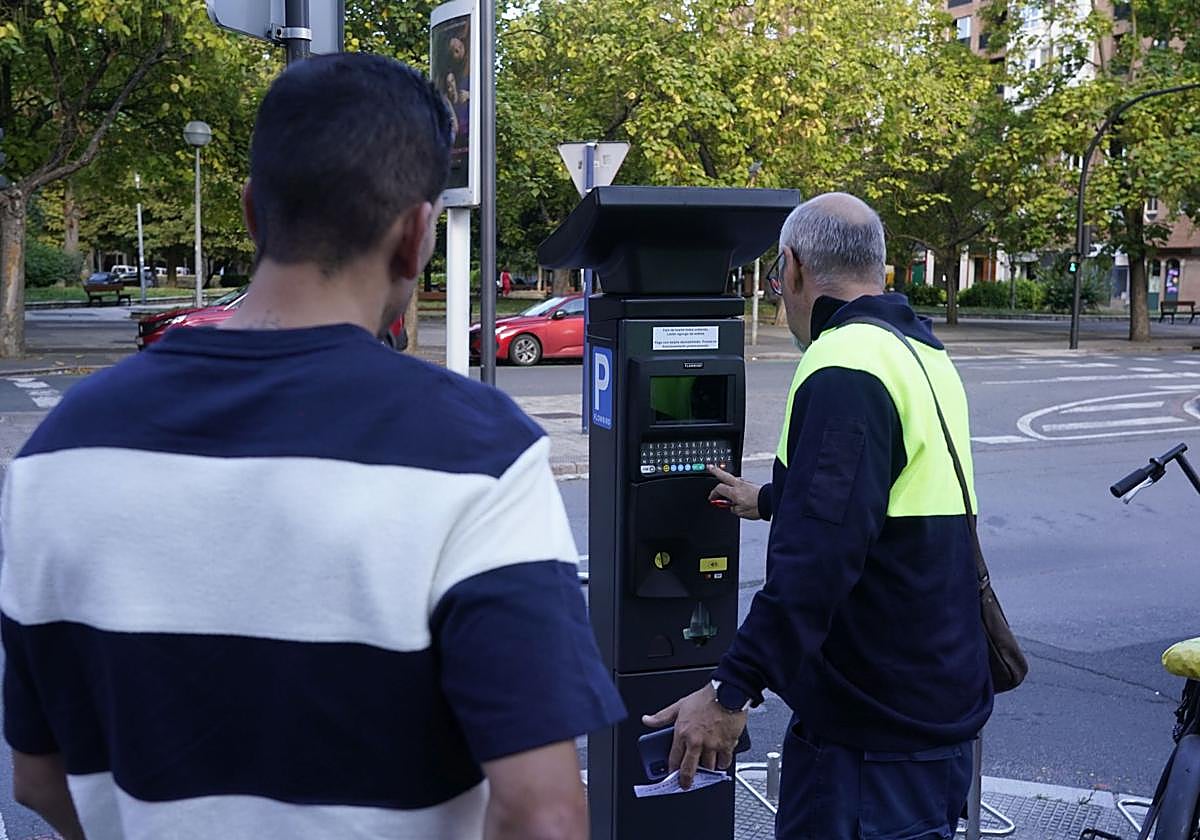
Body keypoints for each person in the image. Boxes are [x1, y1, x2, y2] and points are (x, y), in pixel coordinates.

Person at [0, 53, 623, 840]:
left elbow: (37, 777)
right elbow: (543, 814)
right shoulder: (479, 456)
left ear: (255, 213)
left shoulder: (57, 452)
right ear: (416, 235)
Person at [643, 193, 993, 839]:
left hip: (871, 743)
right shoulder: (920, 355)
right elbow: (883, 501)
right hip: (931, 716)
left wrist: (731, 691)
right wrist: (772, 498)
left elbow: (821, 560)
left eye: (778, 282)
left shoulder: (844, 364)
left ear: (794, 268)